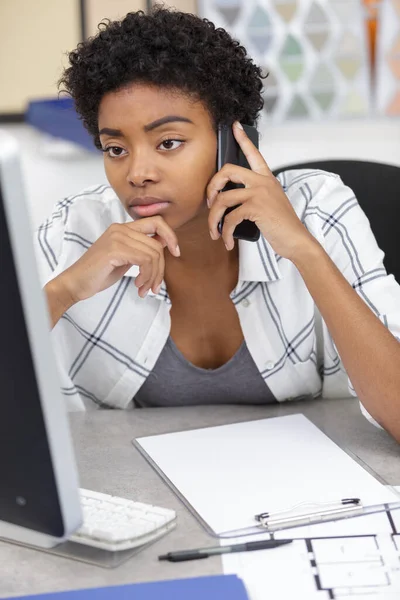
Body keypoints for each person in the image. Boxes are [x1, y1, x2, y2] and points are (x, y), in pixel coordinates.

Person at [36, 6, 400, 440]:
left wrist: (304, 251)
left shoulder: (319, 209)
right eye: (116, 149)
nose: (137, 173)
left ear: (233, 141)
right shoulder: (73, 231)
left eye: (168, 142)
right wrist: (64, 291)